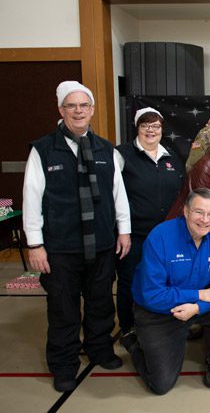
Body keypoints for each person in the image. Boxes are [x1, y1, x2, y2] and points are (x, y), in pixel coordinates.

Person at [22, 81, 131, 392]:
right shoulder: (43, 150)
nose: (78, 111)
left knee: (100, 303)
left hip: (101, 244)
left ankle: (99, 349)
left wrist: (123, 230)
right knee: (63, 308)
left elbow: (117, 193)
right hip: (60, 247)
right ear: (61, 110)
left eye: (84, 105)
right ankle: (63, 364)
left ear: (92, 110)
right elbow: (31, 197)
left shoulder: (106, 149)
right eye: (72, 106)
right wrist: (35, 244)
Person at [127, 188, 210, 397]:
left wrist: (198, 307)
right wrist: (201, 295)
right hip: (158, 311)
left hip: (194, 307)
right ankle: (133, 343)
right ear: (185, 211)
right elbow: (153, 296)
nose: (205, 220)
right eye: (198, 212)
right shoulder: (160, 237)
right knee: (161, 384)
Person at [115, 107, 185, 348]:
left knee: (164, 280)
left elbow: (181, 195)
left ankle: (162, 323)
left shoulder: (172, 157)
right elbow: (114, 194)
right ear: (137, 128)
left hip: (166, 235)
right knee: (129, 280)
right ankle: (128, 328)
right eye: (145, 125)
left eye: (155, 125)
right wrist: (122, 230)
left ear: (162, 129)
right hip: (134, 234)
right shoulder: (121, 155)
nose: (151, 130)